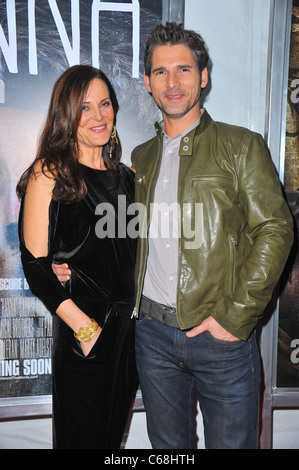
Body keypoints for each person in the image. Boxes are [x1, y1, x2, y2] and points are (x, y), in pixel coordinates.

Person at [53, 23, 294, 449]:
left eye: (184, 70)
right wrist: (71, 264)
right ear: (146, 82)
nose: (173, 82)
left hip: (221, 337)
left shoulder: (241, 147)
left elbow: (275, 229)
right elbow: (119, 233)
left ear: (203, 76)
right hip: (151, 337)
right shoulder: (138, 159)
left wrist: (235, 318)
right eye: (161, 72)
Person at [17, 65, 138, 449]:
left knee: (111, 442)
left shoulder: (129, 178)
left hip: (131, 334)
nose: (99, 116)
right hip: (85, 329)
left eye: (104, 104)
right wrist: (86, 331)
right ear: (66, 116)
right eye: (84, 108)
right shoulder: (49, 174)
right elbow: (35, 267)